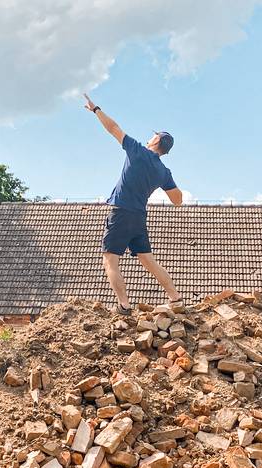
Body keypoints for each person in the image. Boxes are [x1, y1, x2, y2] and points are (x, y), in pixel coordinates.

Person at [83, 93, 184, 314]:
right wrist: (168, 185)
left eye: (152, 136)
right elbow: (178, 201)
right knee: (148, 261)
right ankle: (175, 299)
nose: (149, 139)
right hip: (139, 217)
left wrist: (95, 109)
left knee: (110, 260)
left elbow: (113, 128)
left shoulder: (137, 150)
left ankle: (124, 306)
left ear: (156, 141)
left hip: (121, 212)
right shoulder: (163, 171)